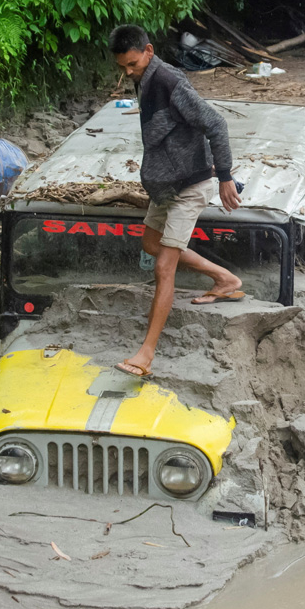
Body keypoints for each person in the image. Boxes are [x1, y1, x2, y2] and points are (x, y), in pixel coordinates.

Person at [108, 24, 244, 378]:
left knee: (163, 268)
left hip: (190, 184)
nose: (128, 72)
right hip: (166, 185)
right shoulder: (144, 78)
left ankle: (145, 354)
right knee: (151, 243)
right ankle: (225, 279)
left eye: (133, 65)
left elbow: (216, 124)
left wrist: (225, 176)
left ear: (149, 52)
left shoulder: (170, 81)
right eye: (122, 67)